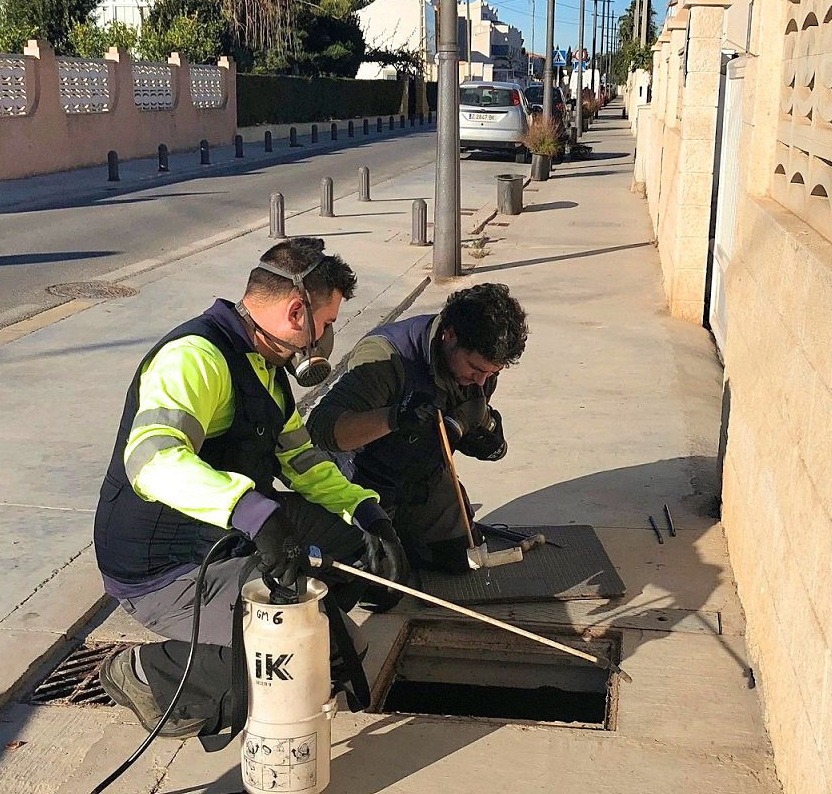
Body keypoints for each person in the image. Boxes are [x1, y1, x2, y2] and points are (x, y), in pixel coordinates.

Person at [92, 237, 408, 737]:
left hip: (217, 542)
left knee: (354, 555)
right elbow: (151, 460)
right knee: (313, 652)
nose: (327, 338)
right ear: (297, 312)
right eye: (327, 324)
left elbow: (303, 463)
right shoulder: (196, 358)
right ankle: (149, 675)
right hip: (164, 571)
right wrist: (252, 513)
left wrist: (367, 513)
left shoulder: (267, 367)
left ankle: (279, 616)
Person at [306, 283, 528, 573]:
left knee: (458, 560)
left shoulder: (478, 375)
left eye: (492, 373)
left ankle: (408, 535)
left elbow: (464, 437)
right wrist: (393, 417)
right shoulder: (386, 357)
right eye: (475, 368)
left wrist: (479, 428)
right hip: (363, 479)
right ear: (450, 335)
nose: (481, 381)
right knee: (380, 581)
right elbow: (321, 429)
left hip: (422, 476)